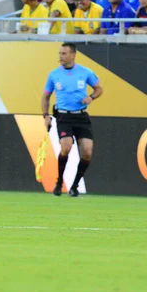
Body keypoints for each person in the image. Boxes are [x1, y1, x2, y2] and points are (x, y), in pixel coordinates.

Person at [42, 42, 103, 197]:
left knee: (87, 153)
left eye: (64, 53)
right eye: (60, 53)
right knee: (66, 147)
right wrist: (46, 115)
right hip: (63, 116)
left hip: (81, 116)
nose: (61, 57)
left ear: (73, 55)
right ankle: (59, 182)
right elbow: (46, 96)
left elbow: (99, 88)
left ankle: (74, 186)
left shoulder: (85, 72)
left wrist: (91, 97)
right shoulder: (54, 74)